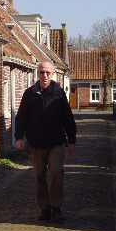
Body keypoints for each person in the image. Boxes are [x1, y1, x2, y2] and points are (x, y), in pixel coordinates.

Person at [15, 61, 76, 222]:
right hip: (37, 142)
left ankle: (56, 206)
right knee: (39, 176)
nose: (45, 75)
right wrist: (19, 137)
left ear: (53, 74)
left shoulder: (59, 94)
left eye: (48, 72)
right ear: (38, 74)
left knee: (57, 172)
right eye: (42, 72)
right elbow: (21, 116)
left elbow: (67, 118)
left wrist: (72, 139)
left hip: (56, 140)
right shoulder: (29, 94)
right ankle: (44, 208)